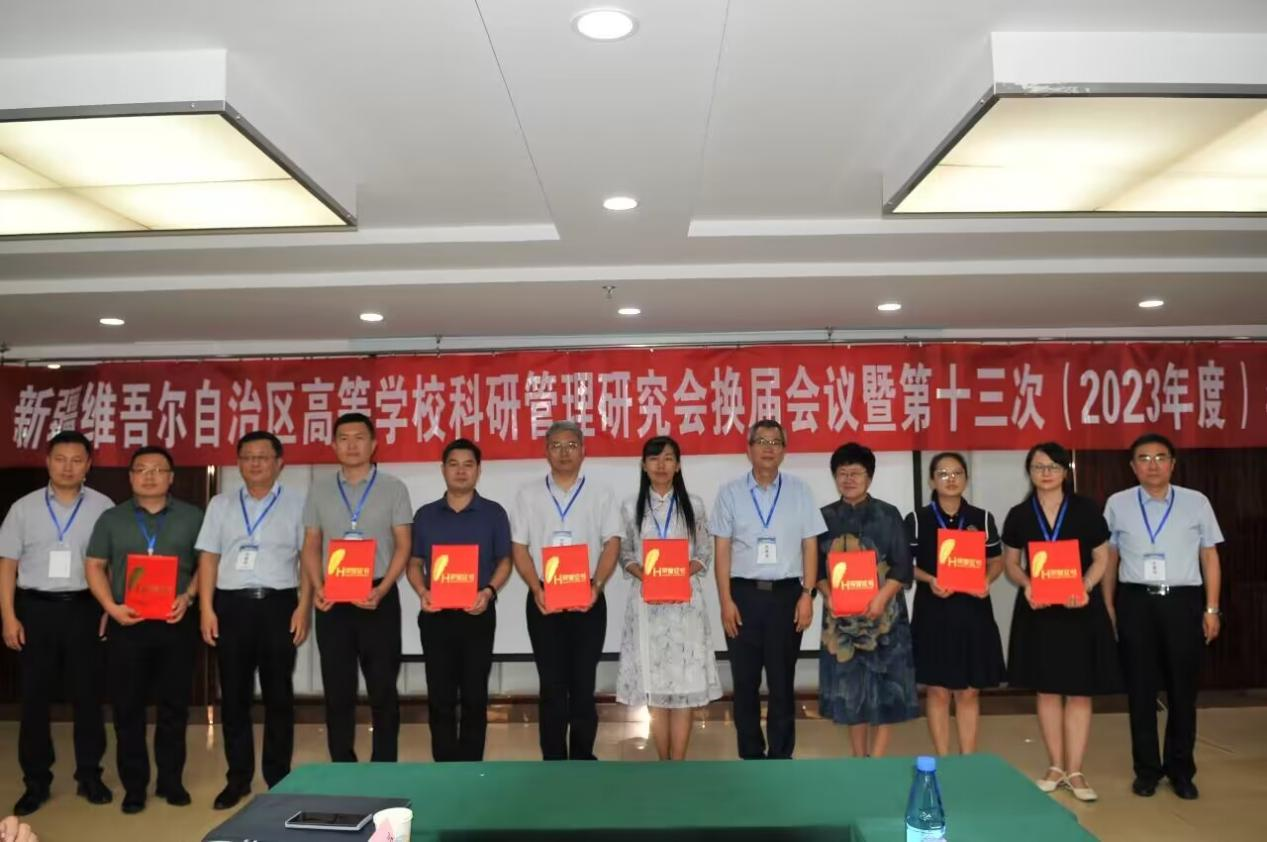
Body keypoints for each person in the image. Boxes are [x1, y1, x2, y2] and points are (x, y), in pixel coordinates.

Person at [1103, 433, 1223, 801]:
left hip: (1183, 602)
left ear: (1172, 464)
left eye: (1160, 457)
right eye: (1144, 458)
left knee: (1182, 691)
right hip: (1136, 601)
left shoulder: (1196, 502)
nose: (1152, 465)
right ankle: (1146, 771)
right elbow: (1109, 559)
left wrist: (1212, 608)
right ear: (1132, 466)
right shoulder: (1118, 503)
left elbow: (1209, 557)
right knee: (1140, 691)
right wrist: (1109, 606)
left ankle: (1181, 770)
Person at [84, 445, 203, 814]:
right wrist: (111, 608)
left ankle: (171, 781)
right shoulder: (111, 519)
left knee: (174, 707)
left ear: (171, 477)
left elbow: (207, 563)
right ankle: (134, 786)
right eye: (141, 469)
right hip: (128, 623)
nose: (149, 476)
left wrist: (188, 596)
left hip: (175, 623)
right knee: (127, 708)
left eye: (158, 469)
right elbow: (94, 565)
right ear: (131, 476)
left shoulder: (192, 517)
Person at [0, 431, 114, 816]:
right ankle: (36, 782)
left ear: (88, 464)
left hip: (85, 608)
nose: (68, 467)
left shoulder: (103, 506)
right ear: (48, 462)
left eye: (76, 460)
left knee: (88, 696)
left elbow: (109, 562)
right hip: (36, 609)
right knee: (34, 700)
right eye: (60, 459)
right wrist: (9, 616)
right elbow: (7, 565)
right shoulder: (23, 508)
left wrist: (108, 607)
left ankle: (90, 776)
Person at [196, 431, 311, 809]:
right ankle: (238, 778)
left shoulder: (298, 504)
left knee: (279, 696)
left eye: (263, 457)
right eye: (247, 457)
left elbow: (308, 560)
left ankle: (278, 776)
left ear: (279, 463)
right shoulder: (221, 505)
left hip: (279, 605)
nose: (255, 463)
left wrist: (303, 607)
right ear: (238, 463)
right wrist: (206, 608)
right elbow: (208, 558)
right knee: (234, 697)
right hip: (231, 607)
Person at [1001, 442, 1119, 803]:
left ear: (1065, 471)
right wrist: (1027, 585)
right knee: (1048, 689)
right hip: (1039, 610)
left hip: (1079, 607)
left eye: (1053, 466)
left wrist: (1085, 586)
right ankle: (1055, 766)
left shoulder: (1086, 509)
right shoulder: (1020, 514)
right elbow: (1011, 564)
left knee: (1079, 691)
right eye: (1039, 467)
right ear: (1029, 472)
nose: (1046, 473)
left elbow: (1102, 557)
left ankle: (1076, 770)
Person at [300, 412, 412, 763]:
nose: (351, 445)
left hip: (377, 596)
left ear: (373, 444)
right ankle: (342, 764)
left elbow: (404, 545)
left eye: (359, 438)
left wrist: (384, 588)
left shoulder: (393, 488)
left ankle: (384, 765)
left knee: (383, 687)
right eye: (344, 438)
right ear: (334, 445)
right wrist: (318, 586)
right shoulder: (319, 490)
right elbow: (311, 544)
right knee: (337, 689)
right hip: (333, 598)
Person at [711, 420, 825, 760]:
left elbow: (810, 545)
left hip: (787, 596)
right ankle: (750, 752)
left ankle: (780, 754)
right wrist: (725, 601)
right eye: (761, 441)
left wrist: (807, 594)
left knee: (782, 680)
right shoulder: (730, 493)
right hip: (743, 596)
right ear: (748, 449)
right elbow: (722, 551)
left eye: (775, 442)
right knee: (744, 681)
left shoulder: (800, 491)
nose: (768, 448)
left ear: (784, 451)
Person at [510, 420, 622, 760]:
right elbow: (519, 547)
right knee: (552, 685)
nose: (564, 453)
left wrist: (597, 586)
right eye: (556, 446)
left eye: (571, 445)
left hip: (588, 596)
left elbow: (612, 543)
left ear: (583, 451)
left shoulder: (601, 493)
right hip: (544, 597)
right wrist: (535, 588)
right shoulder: (528, 494)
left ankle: (583, 757)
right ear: (546, 452)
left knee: (583, 683)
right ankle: (554, 759)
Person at [616, 436, 722, 760]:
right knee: (655, 687)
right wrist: (645, 574)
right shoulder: (630, 506)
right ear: (643, 465)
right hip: (647, 606)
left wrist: (679, 572)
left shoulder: (695, 505)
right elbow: (625, 554)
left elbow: (704, 552)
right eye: (654, 459)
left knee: (684, 685)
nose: (661, 465)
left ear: (678, 465)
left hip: (685, 606)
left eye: (668, 458)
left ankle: (679, 763)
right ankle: (664, 762)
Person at [407, 438, 512, 762]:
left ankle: (470, 766)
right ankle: (443, 765)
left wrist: (488, 592)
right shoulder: (425, 515)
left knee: (474, 696)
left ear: (479, 470)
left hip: (477, 613)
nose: (461, 471)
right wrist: (423, 591)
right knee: (439, 696)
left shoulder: (494, 513)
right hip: (436, 615)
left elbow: (504, 561)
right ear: (443, 469)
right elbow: (414, 563)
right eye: (454, 464)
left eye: (468, 465)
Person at [816, 443, 918, 757]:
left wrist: (882, 597)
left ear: (869, 477)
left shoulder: (889, 514)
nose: (849, 479)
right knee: (852, 692)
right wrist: (829, 595)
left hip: (884, 616)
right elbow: (815, 569)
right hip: (842, 621)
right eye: (842, 473)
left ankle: (878, 758)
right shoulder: (824, 517)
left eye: (856, 473)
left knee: (887, 690)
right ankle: (859, 757)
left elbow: (903, 565)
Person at [905, 452, 1005, 756]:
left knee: (969, 691)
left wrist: (987, 579)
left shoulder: (982, 518)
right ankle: (943, 758)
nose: (951, 479)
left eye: (957, 473)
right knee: (937, 690)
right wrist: (930, 579)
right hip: (934, 610)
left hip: (973, 611)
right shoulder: (917, 519)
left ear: (966, 478)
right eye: (943, 473)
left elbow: (997, 561)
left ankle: (968, 759)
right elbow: (904, 565)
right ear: (931, 480)